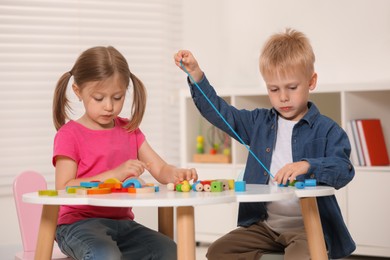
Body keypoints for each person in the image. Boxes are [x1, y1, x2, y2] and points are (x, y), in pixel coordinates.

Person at [174, 28, 355, 260]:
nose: (283, 97)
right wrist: (196, 76)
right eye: (274, 89)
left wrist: (307, 165)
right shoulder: (258, 122)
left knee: (299, 255)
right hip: (265, 227)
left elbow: (344, 169)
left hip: (307, 228)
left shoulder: (328, 130)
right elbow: (220, 113)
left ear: (311, 82)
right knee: (218, 252)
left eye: (292, 87)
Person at [52, 46, 198, 260]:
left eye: (118, 97)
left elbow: (159, 168)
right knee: (105, 254)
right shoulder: (69, 135)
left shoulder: (129, 130)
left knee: (168, 251)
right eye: (99, 98)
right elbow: (64, 187)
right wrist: (116, 174)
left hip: (122, 225)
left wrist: (176, 174)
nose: (109, 106)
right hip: (77, 224)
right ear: (77, 91)